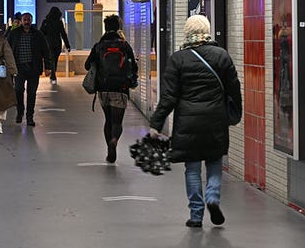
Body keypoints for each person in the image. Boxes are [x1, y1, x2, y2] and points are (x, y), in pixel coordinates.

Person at [148, 15, 242, 229]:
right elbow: (234, 89)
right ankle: (213, 198)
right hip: (215, 120)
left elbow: (169, 97)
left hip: (187, 122)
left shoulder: (178, 59)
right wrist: (234, 115)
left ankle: (196, 215)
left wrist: (156, 123)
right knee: (215, 162)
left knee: (192, 168)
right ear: (207, 30)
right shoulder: (222, 56)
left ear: (187, 32)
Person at [85, 15, 138, 163]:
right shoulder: (124, 45)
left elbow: (87, 65)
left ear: (105, 27)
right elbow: (134, 66)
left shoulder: (99, 45)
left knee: (108, 120)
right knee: (117, 122)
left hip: (103, 88)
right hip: (120, 89)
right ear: (118, 27)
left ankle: (110, 152)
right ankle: (114, 140)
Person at [7, 12, 50, 126]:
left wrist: (48, 67)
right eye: (24, 20)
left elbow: (46, 51)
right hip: (19, 68)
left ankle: (30, 116)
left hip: (33, 68)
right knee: (18, 90)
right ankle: (20, 111)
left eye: (28, 20)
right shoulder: (14, 34)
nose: (26, 22)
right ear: (21, 21)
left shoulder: (38, 34)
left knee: (32, 93)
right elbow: (7, 50)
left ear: (31, 21)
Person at [39, 6, 72, 85]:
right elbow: (63, 34)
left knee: (51, 59)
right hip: (57, 44)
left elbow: (41, 33)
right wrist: (67, 45)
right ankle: (53, 75)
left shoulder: (45, 22)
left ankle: (52, 75)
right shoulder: (59, 22)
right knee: (55, 60)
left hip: (48, 44)